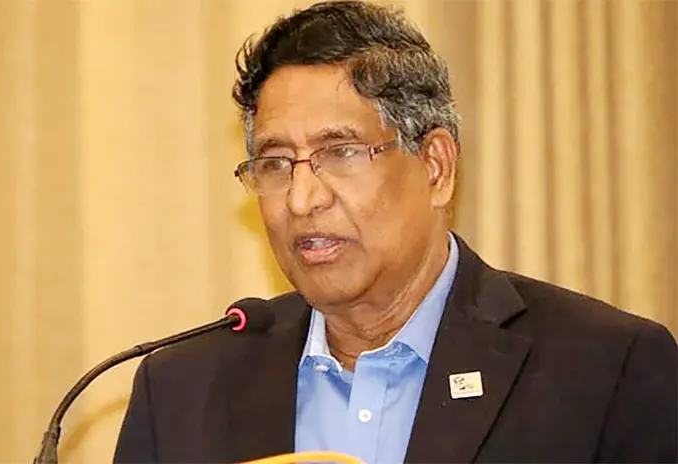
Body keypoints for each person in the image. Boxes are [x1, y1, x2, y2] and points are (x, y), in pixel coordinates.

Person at [113, 1, 677, 463]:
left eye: (341, 153)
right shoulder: (180, 392)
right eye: (276, 163)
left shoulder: (605, 371)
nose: (302, 199)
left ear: (435, 167)